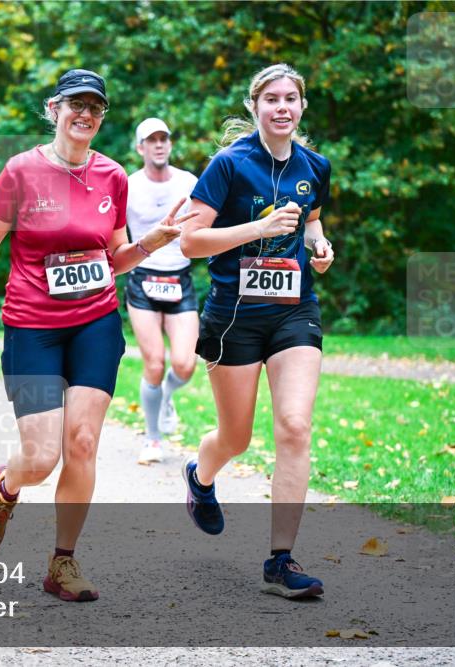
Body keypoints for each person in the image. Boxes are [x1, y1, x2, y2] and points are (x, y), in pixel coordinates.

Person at [0, 68, 194, 602]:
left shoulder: (112, 176)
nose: (85, 114)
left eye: (95, 107)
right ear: (53, 109)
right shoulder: (20, 171)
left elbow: (114, 257)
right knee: (40, 456)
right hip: (32, 327)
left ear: (102, 118)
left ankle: (63, 563)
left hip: (96, 324)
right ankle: (5, 491)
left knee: (82, 444)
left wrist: (152, 242)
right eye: (75, 104)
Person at [179, 63, 334, 599]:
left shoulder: (315, 165)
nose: (282, 107)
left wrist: (318, 246)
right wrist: (258, 228)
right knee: (237, 437)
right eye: (272, 99)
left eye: (291, 98)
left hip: (295, 310)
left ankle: (281, 561)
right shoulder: (228, 165)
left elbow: (311, 217)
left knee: (295, 426)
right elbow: (190, 243)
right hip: (234, 316)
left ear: (302, 106)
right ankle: (200, 475)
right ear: (255, 106)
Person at [125, 118, 200, 464]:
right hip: (143, 278)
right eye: (150, 140)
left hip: (179, 278)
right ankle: (153, 439)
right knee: (154, 363)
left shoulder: (188, 182)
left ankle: (166, 396)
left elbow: (203, 227)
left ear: (170, 144)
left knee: (184, 365)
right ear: (140, 148)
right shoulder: (128, 186)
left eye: (163, 139)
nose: (158, 145)